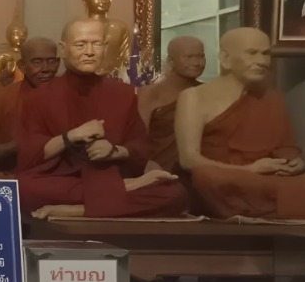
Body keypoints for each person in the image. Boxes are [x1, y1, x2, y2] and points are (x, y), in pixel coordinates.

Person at [15, 19, 187, 219]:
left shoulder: (122, 93)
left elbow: (140, 147)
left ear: (105, 47)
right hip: (63, 179)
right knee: (22, 188)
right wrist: (71, 136)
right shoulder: (39, 96)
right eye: (80, 44)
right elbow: (29, 153)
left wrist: (115, 151)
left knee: (175, 193)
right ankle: (125, 189)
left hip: (107, 174)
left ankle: (78, 210)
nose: (89, 52)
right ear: (63, 49)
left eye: (96, 44)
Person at [175, 27, 305, 219]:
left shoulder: (272, 99)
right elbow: (189, 160)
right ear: (225, 58)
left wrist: (293, 162)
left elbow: (286, 148)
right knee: (205, 176)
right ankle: (297, 197)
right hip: (224, 180)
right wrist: (250, 170)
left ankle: (277, 200)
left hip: (264, 179)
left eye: (266, 54)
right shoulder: (194, 97)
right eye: (252, 53)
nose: (262, 61)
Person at [0, 36, 58, 179]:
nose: (45, 69)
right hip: (16, 176)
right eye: (37, 62)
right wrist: (18, 146)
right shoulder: (0, 99)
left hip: (60, 177)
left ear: (58, 63)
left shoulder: (70, 96)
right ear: (22, 66)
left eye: (51, 61)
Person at [136, 36, 205, 173]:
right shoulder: (151, 93)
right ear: (170, 61)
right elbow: (138, 139)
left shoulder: (207, 92)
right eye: (189, 57)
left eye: (201, 57)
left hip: (199, 169)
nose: (196, 63)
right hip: (158, 170)